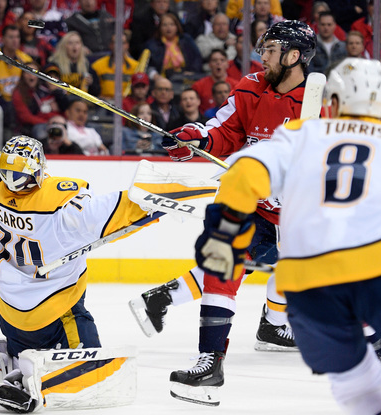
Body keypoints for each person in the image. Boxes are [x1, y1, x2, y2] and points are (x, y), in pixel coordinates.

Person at [0, 106, 153, 409]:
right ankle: (33, 385)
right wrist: (164, 197)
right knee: (94, 370)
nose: (12, 181)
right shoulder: (60, 206)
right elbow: (119, 211)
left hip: (8, 311)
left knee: (20, 353)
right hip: (55, 312)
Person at [130, 23, 318, 403]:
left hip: (302, 215)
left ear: (294, 56)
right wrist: (196, 139)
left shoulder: (319, 100)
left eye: (271, 49)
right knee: (224, 266)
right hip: (254, 204)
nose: (262, 55)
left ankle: (273, 324)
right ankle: (211, 360)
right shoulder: (250, 86)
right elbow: (224, 129)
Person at [193, 57, 381, 414]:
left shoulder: (305, 133)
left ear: (332, 102)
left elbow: (244, 171)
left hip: (309, 293)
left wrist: (225, 233)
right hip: (374, 277)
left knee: (358, 387)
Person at [0, 24, 32, 130]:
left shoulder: (25, 60)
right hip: (0, 103)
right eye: (11, 37)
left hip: (20, 102)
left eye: (17, 37)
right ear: (3, 39)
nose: (15, 40)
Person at [12, 61, 61, 140]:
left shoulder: (45, 89)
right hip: (29, 128)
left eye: (34, 72)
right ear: (23, 76)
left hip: (52, 122)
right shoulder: (18, 93)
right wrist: (47, 122)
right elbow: (26, 117)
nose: (31, 75)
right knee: (43, 133)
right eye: (28, 72)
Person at [145, 12, 202, 80]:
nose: (168, 28)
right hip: (162, 79)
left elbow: (197, 58)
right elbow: (148, 65)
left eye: (172, 24)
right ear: (160, 28)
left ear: (177, 26)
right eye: (164, 25)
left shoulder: (186, 40)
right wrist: (156, 77)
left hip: (186, 77)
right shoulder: (152, 44)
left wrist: (192, 72)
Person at [91, 31, 139, 101]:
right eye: (116, 42)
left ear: (127, 45)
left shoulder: (136, 67)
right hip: (105, 104)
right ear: (110, 45)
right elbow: (93, 91)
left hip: (127, 105)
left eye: (122, 43)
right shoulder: (97, 66)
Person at [48, 31, 99, 96]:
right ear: (64, 46)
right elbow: (52, 90)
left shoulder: (86, 65)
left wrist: (92, 83)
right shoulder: (54, 65)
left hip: (83, 101)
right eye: (70, 43)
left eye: (77, 43)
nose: (74, 46)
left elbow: (97, 92)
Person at [192, 49, 237, 114]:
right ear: (209, 64)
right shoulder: (198, 86)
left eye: (222, 60)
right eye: (214, 60)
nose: (218, 63)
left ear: (227, 64)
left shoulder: (236, 86)